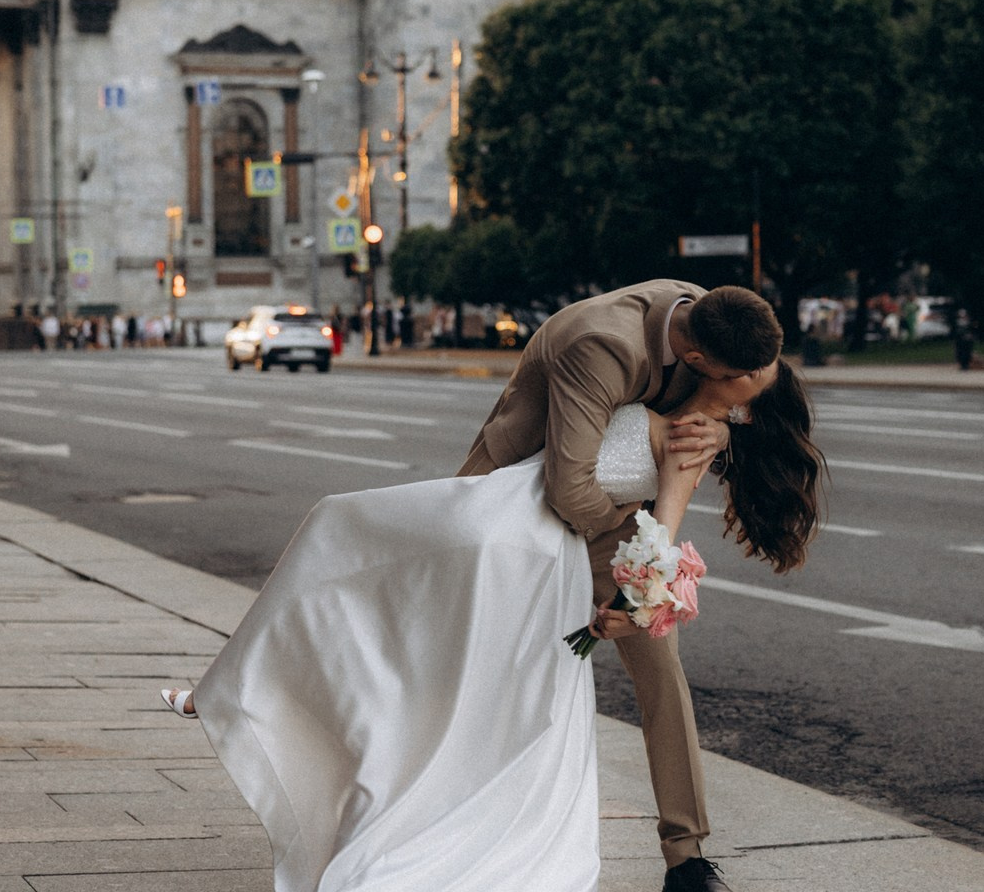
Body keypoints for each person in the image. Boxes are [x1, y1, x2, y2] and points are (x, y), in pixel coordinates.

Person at [159, 281, 823, 892]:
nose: (753, 393)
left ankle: (687, 858)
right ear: (702, 359)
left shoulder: (729, 327)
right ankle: (268, 701)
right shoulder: (601, 342)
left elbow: (679, 459)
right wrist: (643, 547)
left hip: (618, 515)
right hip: (517, 513)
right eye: (744, 385)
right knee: (411, 631)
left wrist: (639, 576)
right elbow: (570, 489)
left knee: (659, 662)